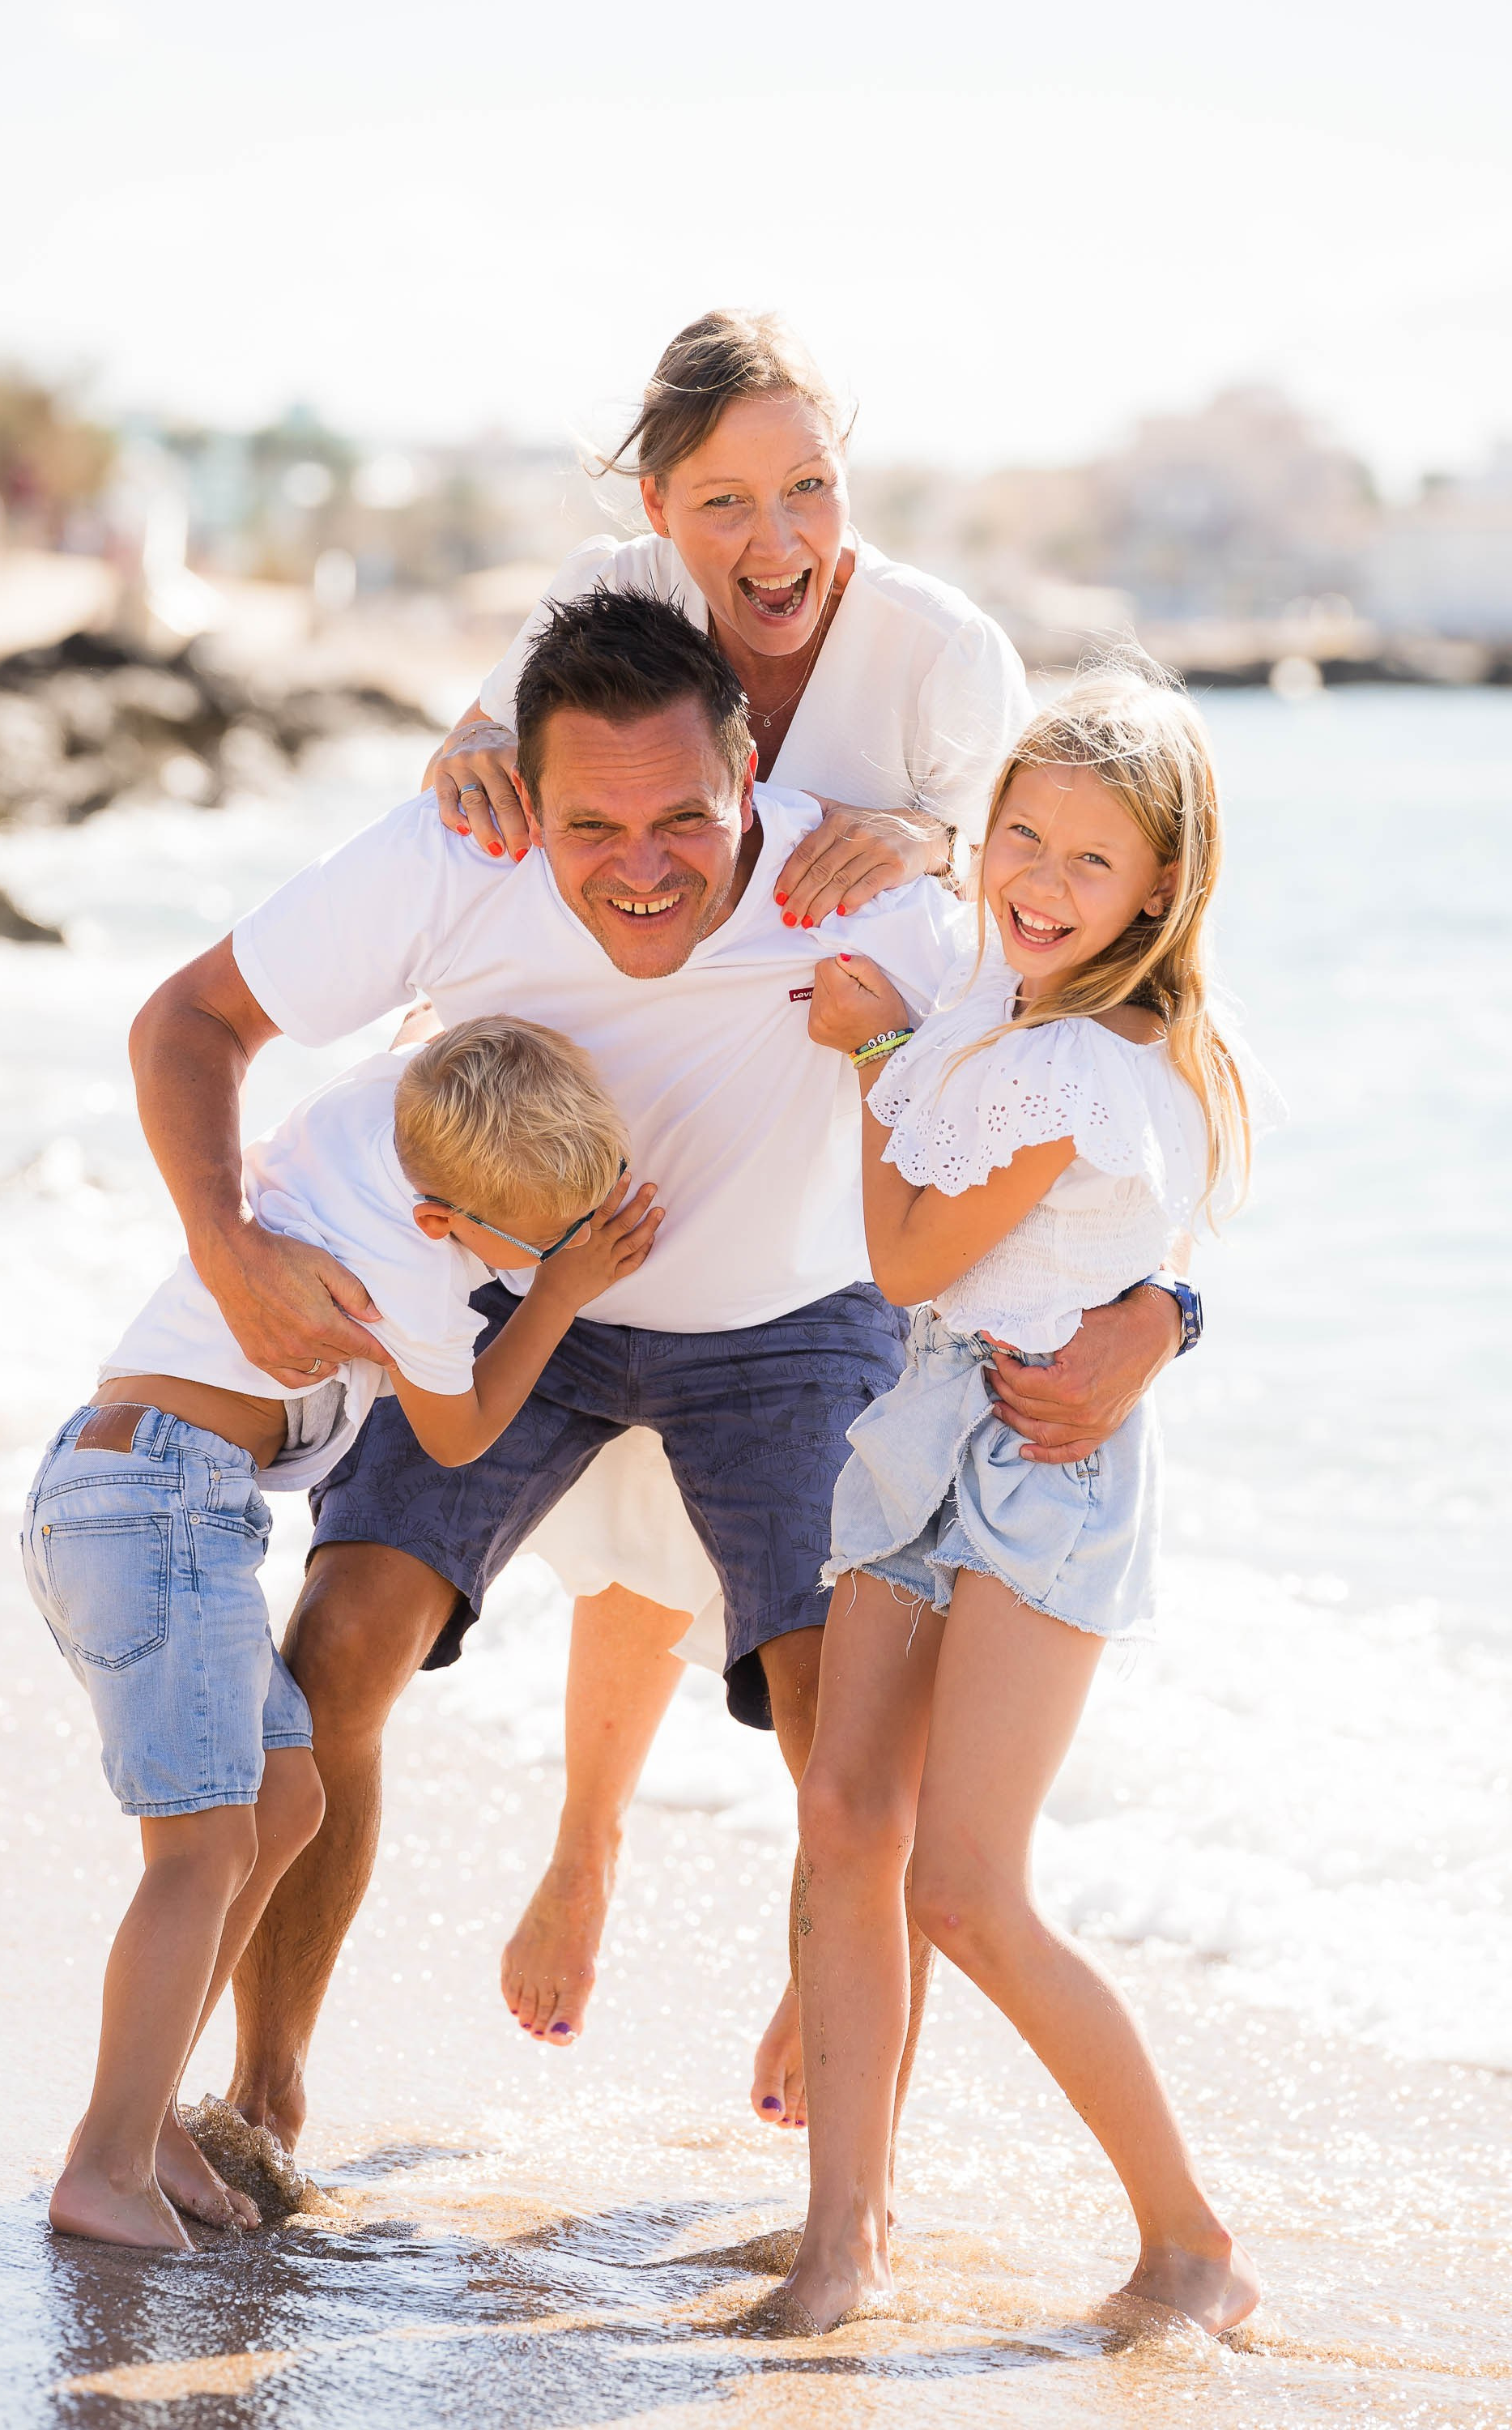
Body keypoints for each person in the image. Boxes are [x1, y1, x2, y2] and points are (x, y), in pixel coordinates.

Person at [420, 310, 1174, 2108]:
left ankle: (819, 1941)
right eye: (727, 501)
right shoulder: (617, 590)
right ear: (659, 511)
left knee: (828, 1611)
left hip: (867, 1185)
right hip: (669, 1136)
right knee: (629, 1528)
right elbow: (503, 734)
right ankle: (587, 1848)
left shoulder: (936, 649)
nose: (778, 541)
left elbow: (1061, 928)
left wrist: (914, 839)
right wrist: (466, 748)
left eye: (813, 487)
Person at [130, 587, 989, 2160]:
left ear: (753, 784)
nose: (644, 863)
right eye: (594, 823)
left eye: (687, 819)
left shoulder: (856, 895)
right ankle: (262, 2099)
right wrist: (230, 1246)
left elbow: (1077, 1092)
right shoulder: (463, 849)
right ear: (526, 792)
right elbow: (188, 1019)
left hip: (787, 1325)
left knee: (845, 1742)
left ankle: (847, 2167)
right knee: (330, 1669)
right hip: (512, 1297)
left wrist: (1156, 1319)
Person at [768, 666, 1262, 2334]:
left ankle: (1191, 2240)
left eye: (1090, 864)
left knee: (965, 1886)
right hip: (929, 1415)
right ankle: (843, 2239)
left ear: (1160, 891)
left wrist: (862, 1058)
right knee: (842, 1818)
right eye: (1020, 837)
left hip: (1042, 1463)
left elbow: (909, 1243)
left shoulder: (1083, 1061)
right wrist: (902, 1025)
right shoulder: (1003, 1003)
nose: (1039, 885)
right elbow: (1017, 1240)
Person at [22, 1017, 649, 2249]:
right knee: (199, 1851)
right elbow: (461, 1433)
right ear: (443, 1225)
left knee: (290, 1798)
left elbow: (432, 1053)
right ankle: (101, 2166)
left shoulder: (368, 1123)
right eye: (533, 1245)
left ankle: (147, 2122)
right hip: (159, 1503)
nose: (550, 1258)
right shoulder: (411, 1275)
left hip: (133, 1488)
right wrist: (561, 1298)